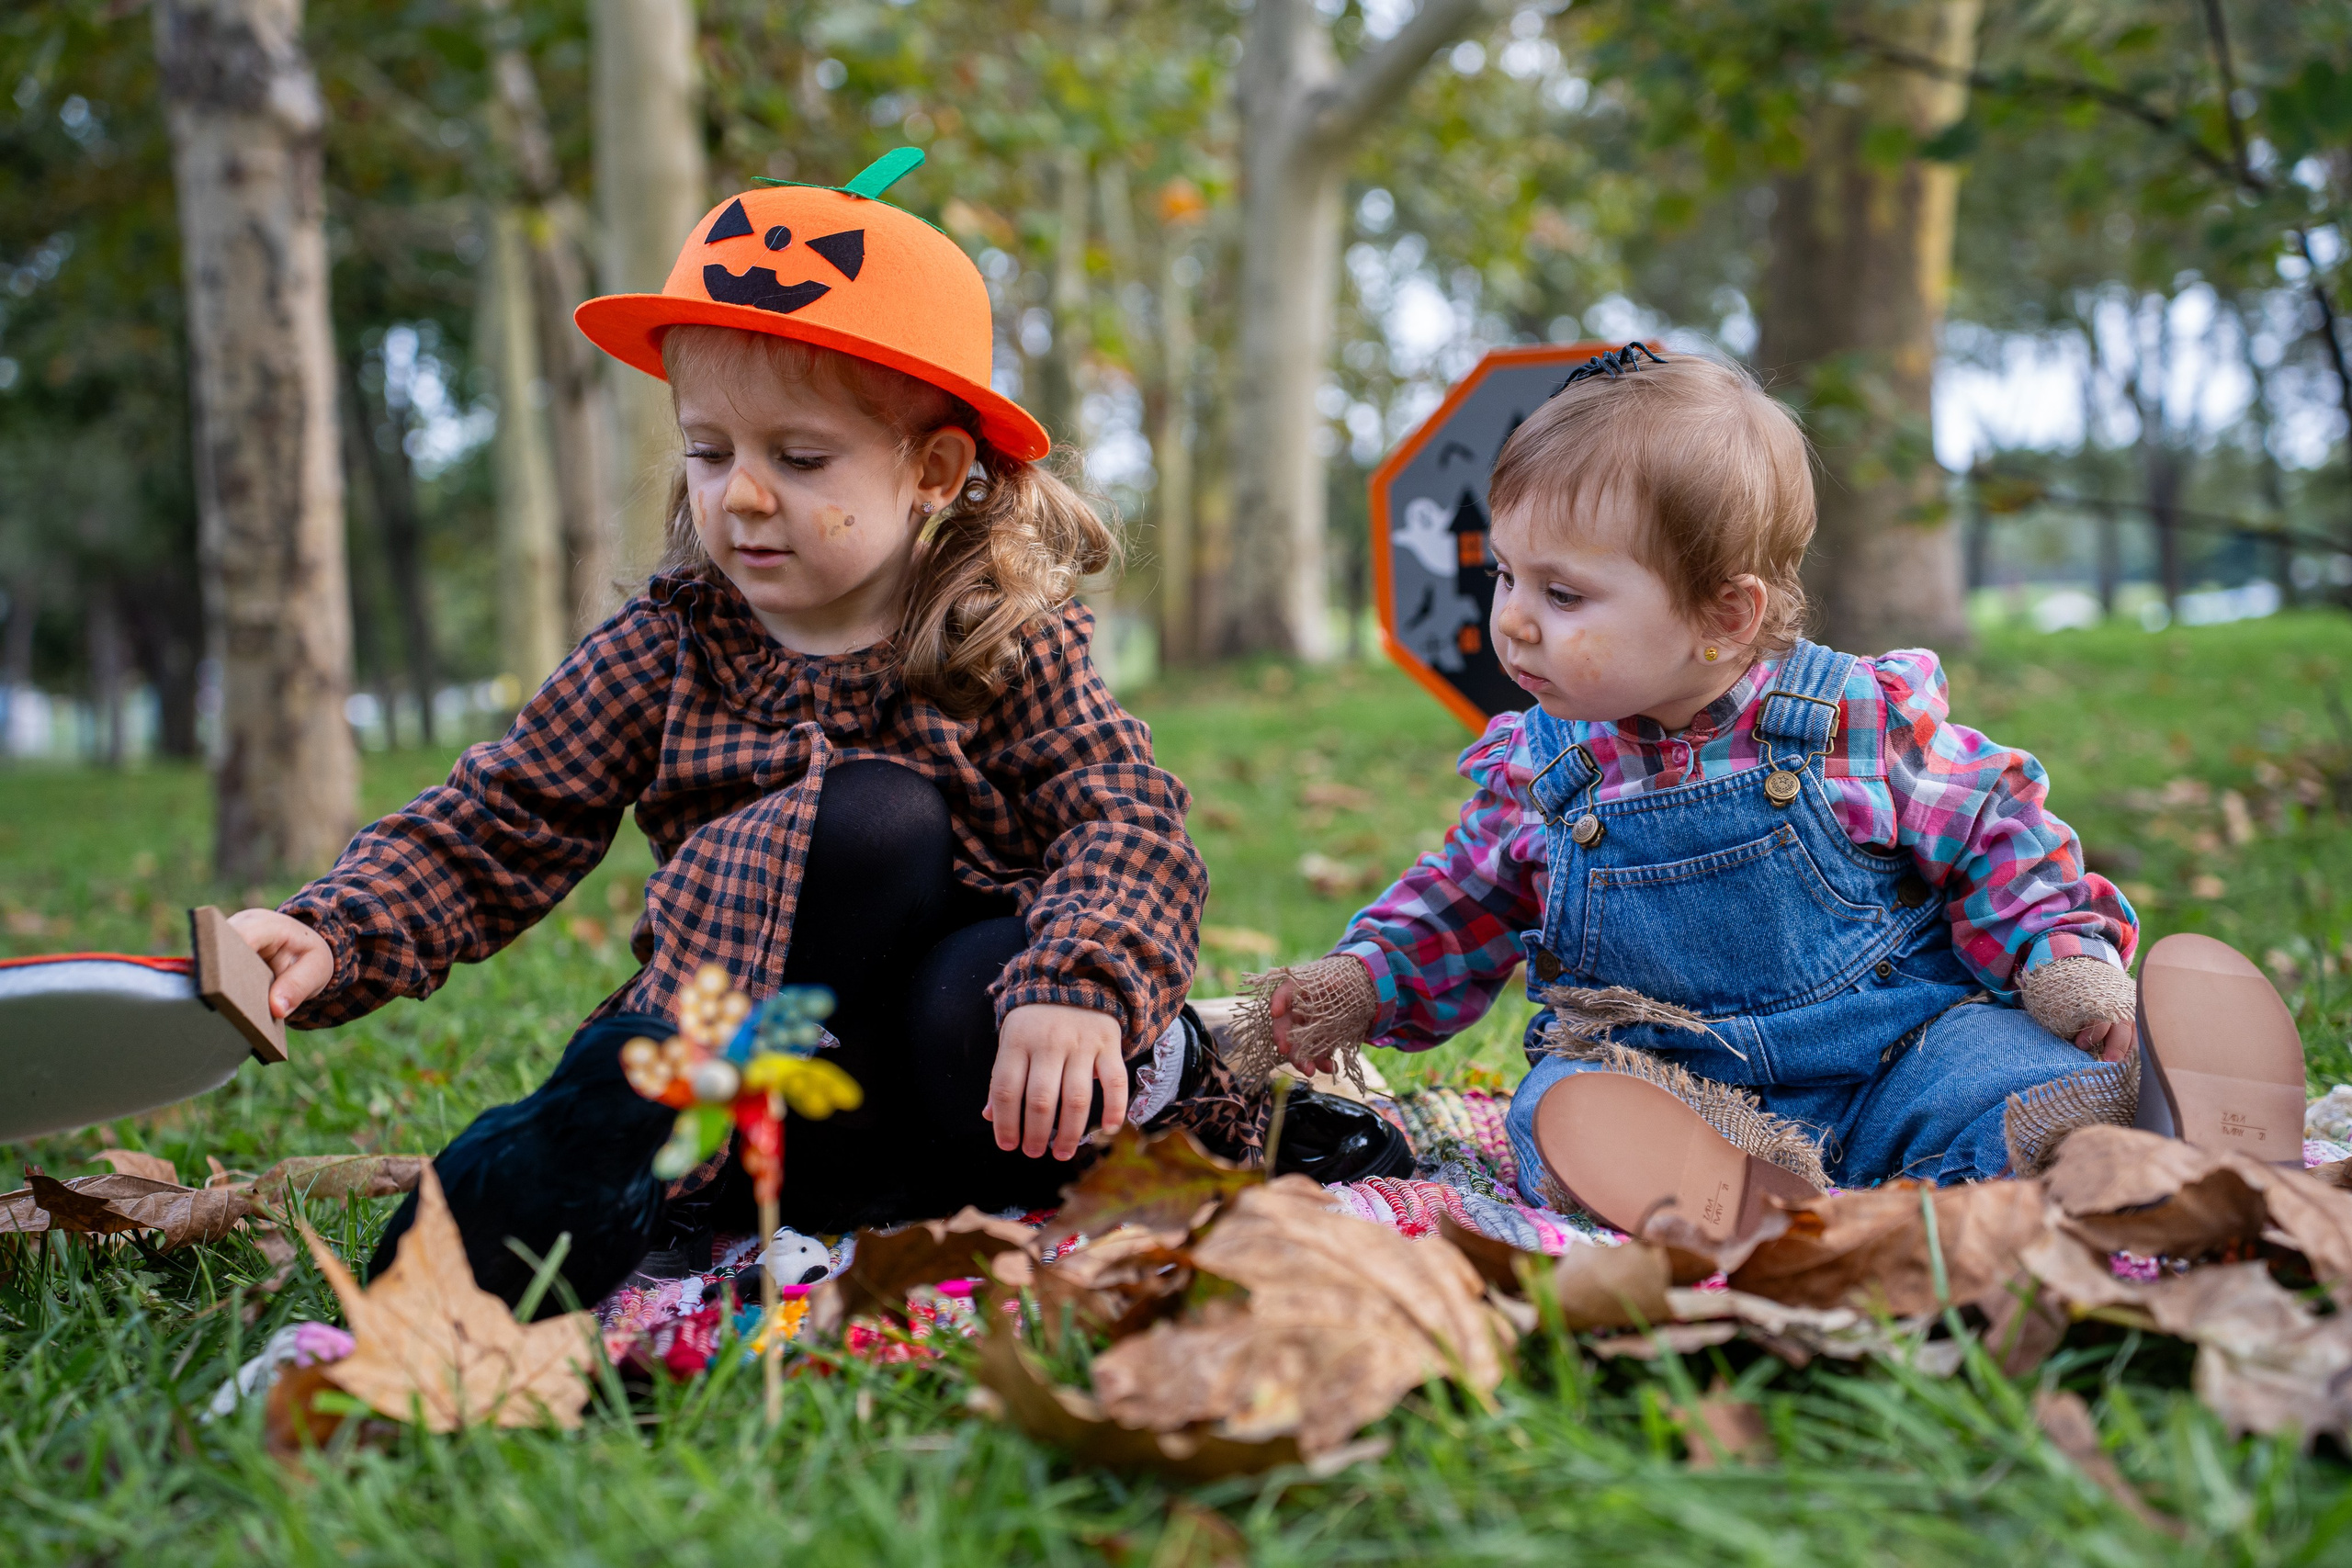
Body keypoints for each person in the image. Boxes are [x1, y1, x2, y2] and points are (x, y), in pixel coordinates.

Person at [223, 152, 1318, 1310]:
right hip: (769, 1087)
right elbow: (504, 817)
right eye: (709, 452)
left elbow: (1126, 818)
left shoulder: (1003, 642)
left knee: (902, 848)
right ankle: (596, 1181)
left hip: (995, 1080)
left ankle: (1185, 1091)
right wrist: (334, 931)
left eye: (799, 460)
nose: (741, 495)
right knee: (851, 833)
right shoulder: (669, 648)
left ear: (935, 469)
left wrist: (1080, 983)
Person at [1241, 346, 2305, 1245]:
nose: (1512, 620)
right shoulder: (1541, 767)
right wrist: (1362, 980)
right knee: (1552, 1112)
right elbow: (1457, 902)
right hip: (1670, 1079)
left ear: (1725, 613)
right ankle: (1724, 1192)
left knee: (1999, 1078)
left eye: (1562, 593)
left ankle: (2133, 1138)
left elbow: (1997, 824)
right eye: (1505, 575)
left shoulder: (1849, 721)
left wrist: (2061, 959)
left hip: (1898, 1050)